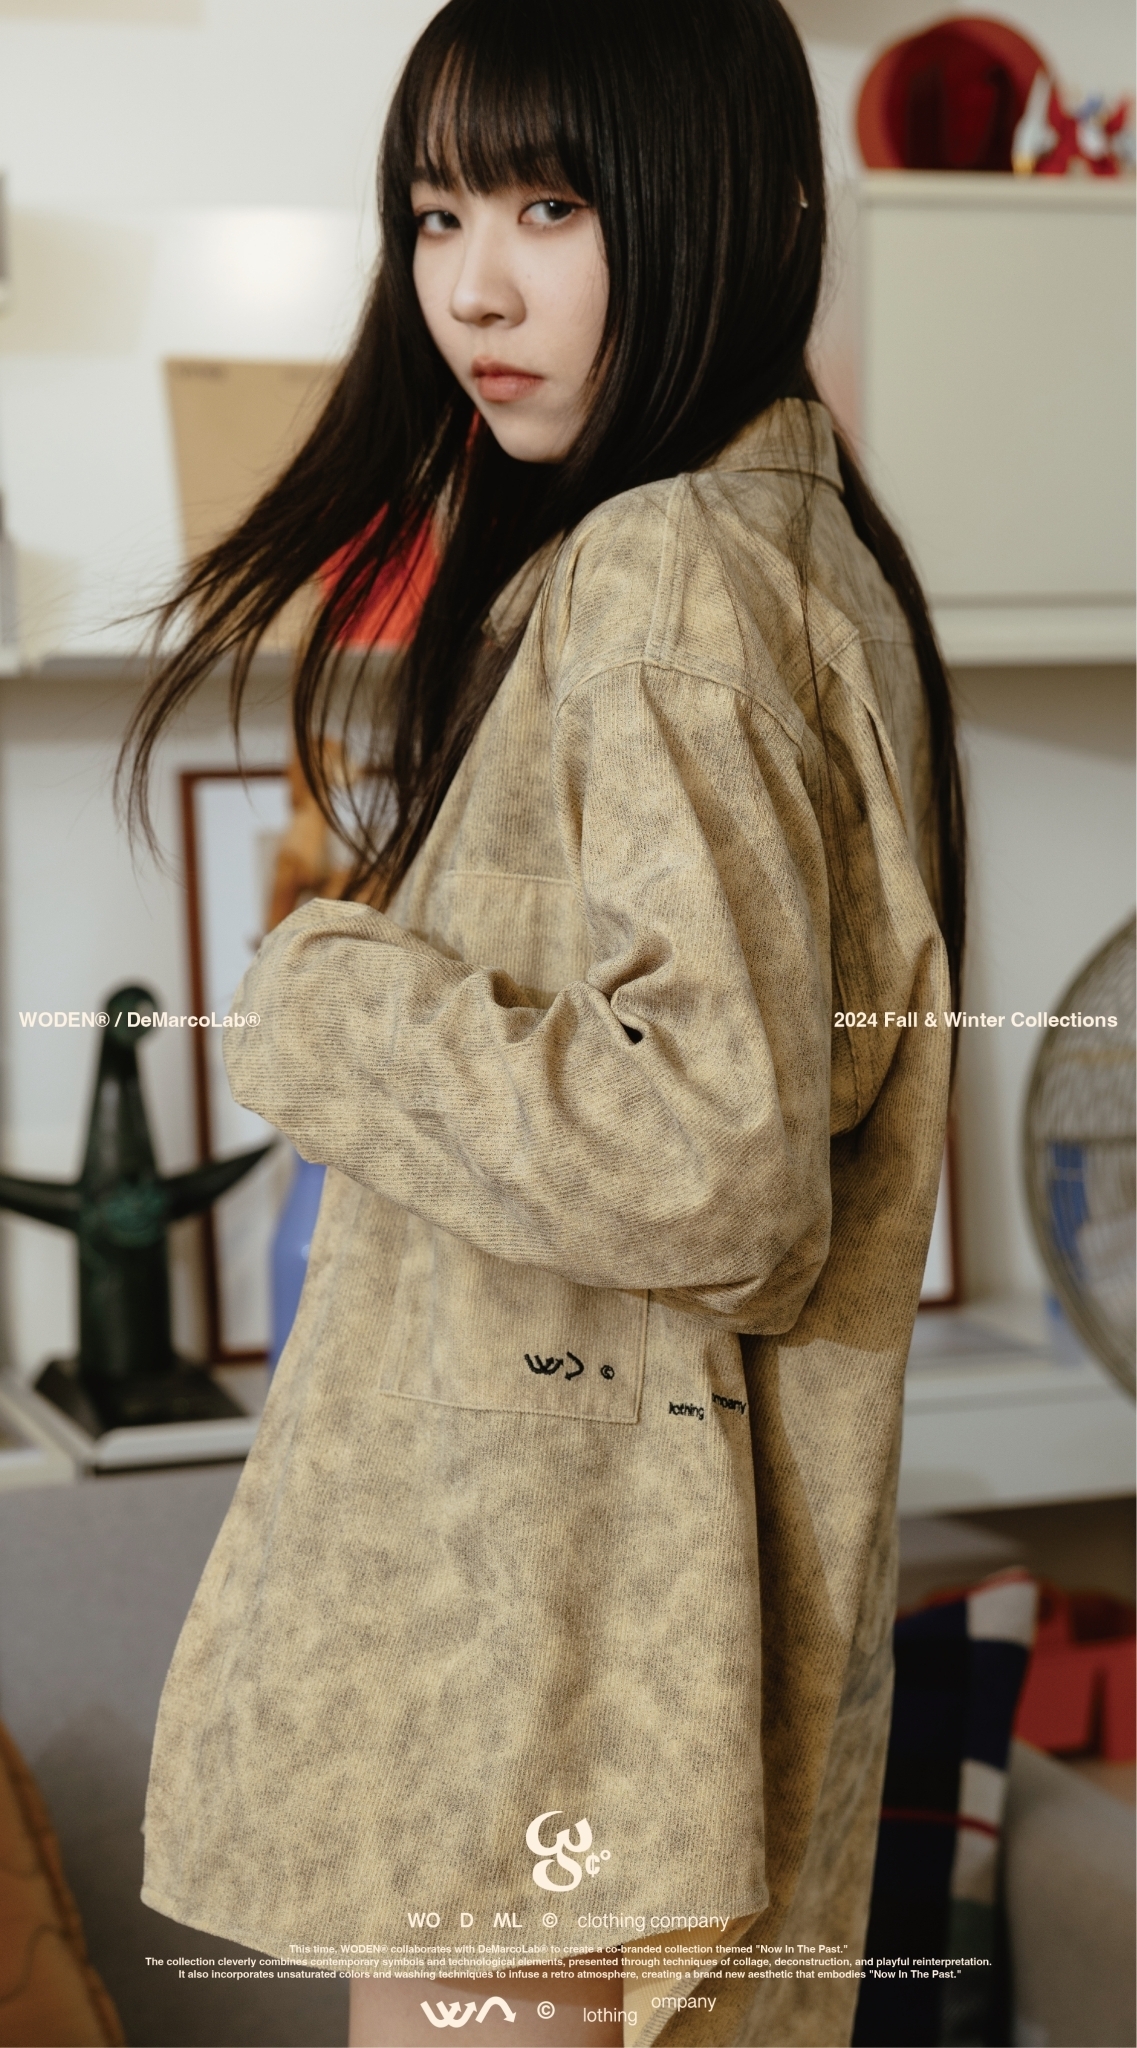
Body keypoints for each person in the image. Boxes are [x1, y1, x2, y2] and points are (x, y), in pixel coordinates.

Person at [123, 1, 965, 2042]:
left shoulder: (664, 578)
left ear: (733, 208)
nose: (471, 288)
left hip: (550, 1664)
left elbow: (708, 1157)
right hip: (617, 1663)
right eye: (436, 215)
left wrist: (321, 1000)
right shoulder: (792, 549)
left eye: (547, 207)